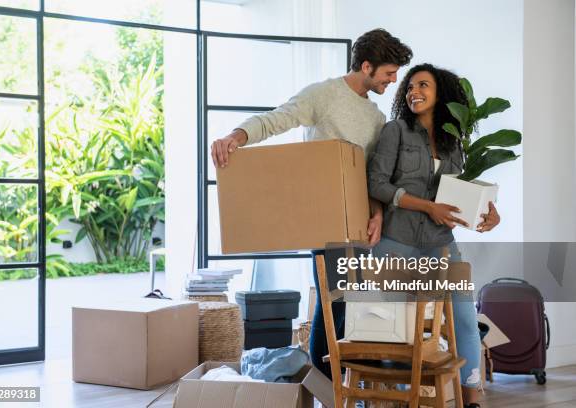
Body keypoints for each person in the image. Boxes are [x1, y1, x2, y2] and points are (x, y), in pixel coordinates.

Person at [210, 28, 413, 378]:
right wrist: (236, 136)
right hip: (324, 218)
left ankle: (339, 391)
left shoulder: (377, 118)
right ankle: (327, 389)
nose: (393, 81)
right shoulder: (324, 94)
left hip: (361, 225)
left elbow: (374, 177)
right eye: (388, 73)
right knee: (335, 306)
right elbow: (279, 118)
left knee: (350, 309)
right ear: (367, 66)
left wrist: (377, 214)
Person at [367, 63, 501, 408]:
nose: (414, 91)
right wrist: (427, 207)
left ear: (441, 93)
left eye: (423, 85)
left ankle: (471, 398)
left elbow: (462, 197)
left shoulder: (454, 143)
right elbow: (377, 184)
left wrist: (489, 211)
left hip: (441, 244)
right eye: (410, 87)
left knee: (465, 321)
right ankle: (399, 400)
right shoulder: (394, 131)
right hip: (395, 242)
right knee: (392, 329)